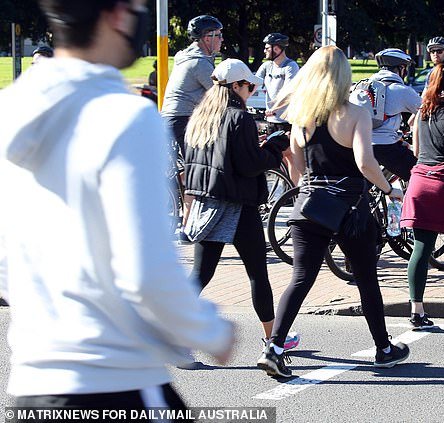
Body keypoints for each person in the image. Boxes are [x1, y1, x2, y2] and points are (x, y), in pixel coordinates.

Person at [0, 0, 234, 413]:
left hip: (33, 380)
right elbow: (146, 268)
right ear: (118, 14)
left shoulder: (11, 109)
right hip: (115, 375)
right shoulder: (123, 116)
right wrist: (208, 330)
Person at [257, 46, 410, 378]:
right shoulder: (355, 113)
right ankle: (383, 349)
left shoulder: (300, 119)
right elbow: (365, 163)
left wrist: (313, 191)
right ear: (344, 76)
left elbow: (297, 173)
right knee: (367, 279)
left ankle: (275, 347)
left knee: (301, 278)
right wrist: (389, 188)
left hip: (310, 206)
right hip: (350, 208)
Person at [183, 58, 299, 353]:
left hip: (207, 203)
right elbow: (248, 165)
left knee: (200, 275)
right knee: (258, 273)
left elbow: (217, 160)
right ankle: (273, 340)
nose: (251, 90)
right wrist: (273, 147)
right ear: (236, 86)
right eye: (248, 86)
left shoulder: (201, 116)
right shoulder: (240, 118)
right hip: (239, 204)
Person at [401, 62, 444, 330]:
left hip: (420, 182)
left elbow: (417, 150)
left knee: (421, 249)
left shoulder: (424, 110)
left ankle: (416, 310)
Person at [161, 14, 223, 158]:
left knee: (189, 167)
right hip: (183, 118)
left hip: (173, 117)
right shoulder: (198, 62)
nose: (222, 39)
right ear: (208, 37)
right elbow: (220, 93)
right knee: (201, 163)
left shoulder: (189, 57)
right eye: (219, 35)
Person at [366, 48, 421, 181]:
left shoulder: (364, 86)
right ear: (401, 68)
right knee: (420, 176)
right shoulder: (402, 90)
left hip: (361, 144)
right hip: (386, 147)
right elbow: (429, 112)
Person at [255, 33, 301, 182]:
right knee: (281, 156)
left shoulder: (290, 66)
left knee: (290, 156)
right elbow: (252, 83)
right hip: (271, 120)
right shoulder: (266, 66)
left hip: (286, 119)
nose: (264, 51)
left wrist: (274, 108)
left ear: (277, 48)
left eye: (267, 48)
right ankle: (287, 187)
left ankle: (293, 190)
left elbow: (289, 92)